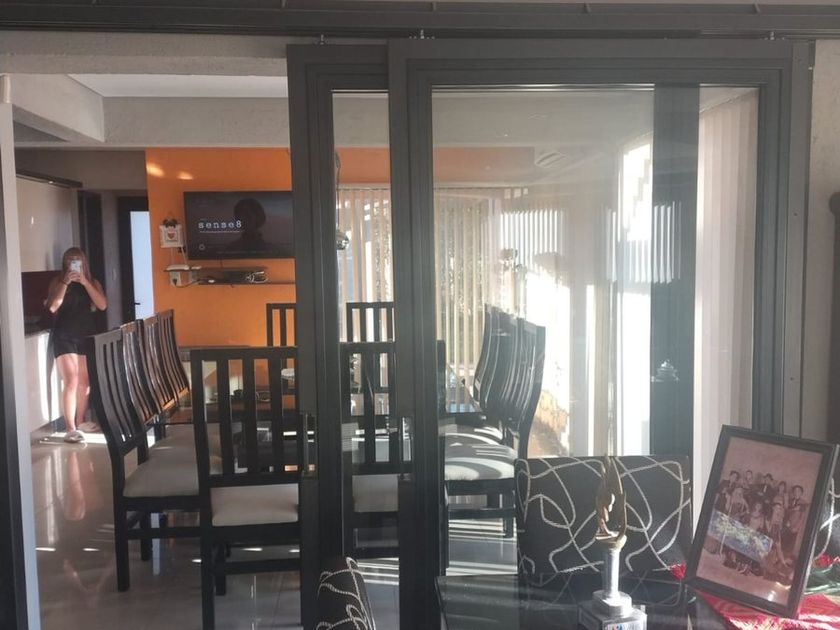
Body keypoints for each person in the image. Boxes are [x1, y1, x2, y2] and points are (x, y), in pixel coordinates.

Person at [45, 248, 107, 443]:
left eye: (77, 259)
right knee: (71, 380)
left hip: (86, 335)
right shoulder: (58, 281)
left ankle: (80, 421)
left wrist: (85, 282)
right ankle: (70, 427)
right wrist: (65, 282)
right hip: (64, 335)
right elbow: (53, 307)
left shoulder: (92, 282)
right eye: (70, 259)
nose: (73, 262)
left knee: (84, 382)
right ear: (65, 263)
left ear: (84, 262)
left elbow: (102, 305)